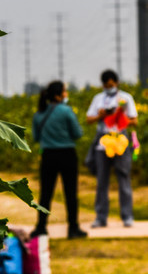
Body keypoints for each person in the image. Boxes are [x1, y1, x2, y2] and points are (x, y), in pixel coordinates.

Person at [30, 81, 87, 239]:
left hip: (48, 155)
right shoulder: (66, 111)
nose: (66, 94)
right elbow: (77, 133)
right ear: (58, 95)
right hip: (67, 154)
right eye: (64, 91)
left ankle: (41, 227)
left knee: (46, 193)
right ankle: (73, 228)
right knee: (70, 193)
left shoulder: (39, 113)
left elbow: (36, 137)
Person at [86, 69, 138, 228]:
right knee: (102, 180)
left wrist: (119, 115)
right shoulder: (98, 99)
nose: (109, 87)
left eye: (111, 84)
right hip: (103, 142)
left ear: (116, 83)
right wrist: (101, 116)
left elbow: (134, 120)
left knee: (124, 178)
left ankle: (127, 216)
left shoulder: (125, 98)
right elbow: (89, 119)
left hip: (121, 140)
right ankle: (101, 217)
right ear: (103, 85)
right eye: (106, 85)